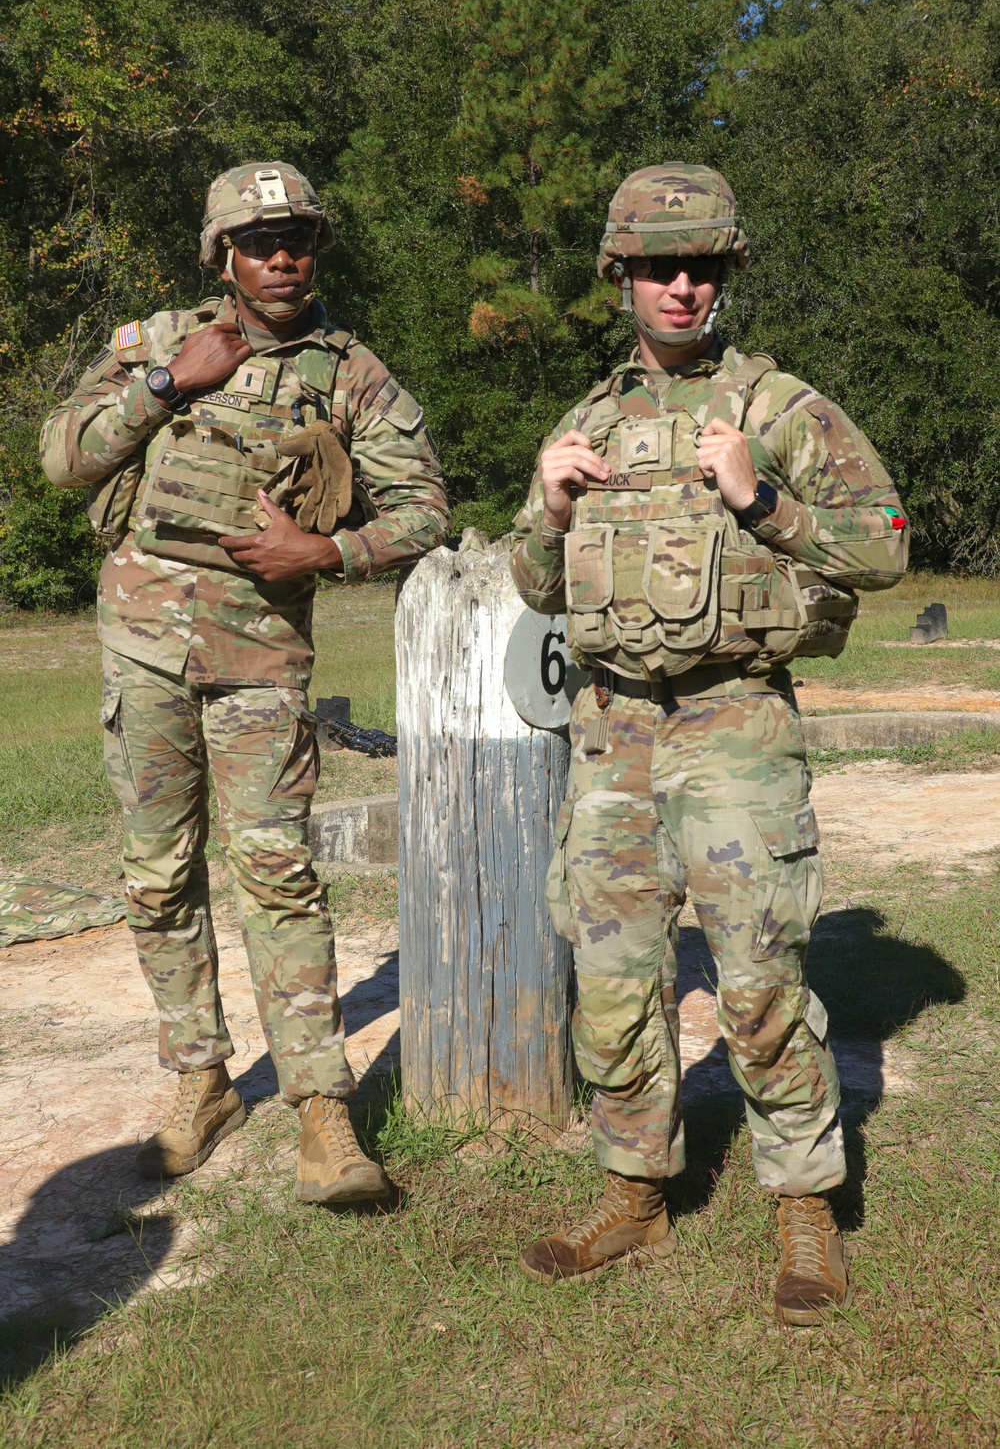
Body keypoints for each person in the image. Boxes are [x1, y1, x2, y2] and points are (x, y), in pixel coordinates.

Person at [509, 164, 908, 1324]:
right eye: (655, 267)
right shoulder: (585, 421)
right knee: (612, 980)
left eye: (699, 267)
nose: (678, 287)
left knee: (759, 981)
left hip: (735, 724)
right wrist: (545, 505)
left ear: (725, 274)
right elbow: (532, 585)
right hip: (610, 733)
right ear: (619, 275)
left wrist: (759, 501)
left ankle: (803, 1202)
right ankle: (633, 1188)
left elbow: (883, 544)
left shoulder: (780, 409)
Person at [41, 163, 448, 1203]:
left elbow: (423, 510)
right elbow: (63, 457)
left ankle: (322, 1112)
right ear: (222, 253)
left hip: (261, 661)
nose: (281, 256)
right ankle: (202, 1080)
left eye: (298, 237)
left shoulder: (352, 374)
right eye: (259, 239)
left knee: (277, 874)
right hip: (143, 648)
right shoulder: (158, 344)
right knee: (157, 874)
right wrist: (171, 382)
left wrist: (330, 556)